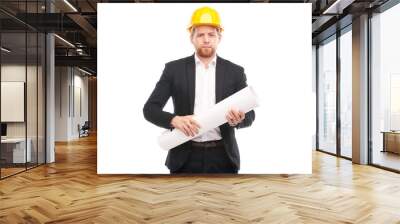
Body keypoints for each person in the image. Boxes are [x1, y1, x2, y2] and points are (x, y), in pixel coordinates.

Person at [143, 6, 255, 174]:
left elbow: (250, 116)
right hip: (184, 157)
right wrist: (174, 120)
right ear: (192, 38)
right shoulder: (174, 69)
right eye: (200, 35)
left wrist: (238, 120)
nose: (206, 39)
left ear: (219, 37)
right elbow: (149, 109)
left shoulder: (235, 72)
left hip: (223, 157)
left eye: (211, 34)